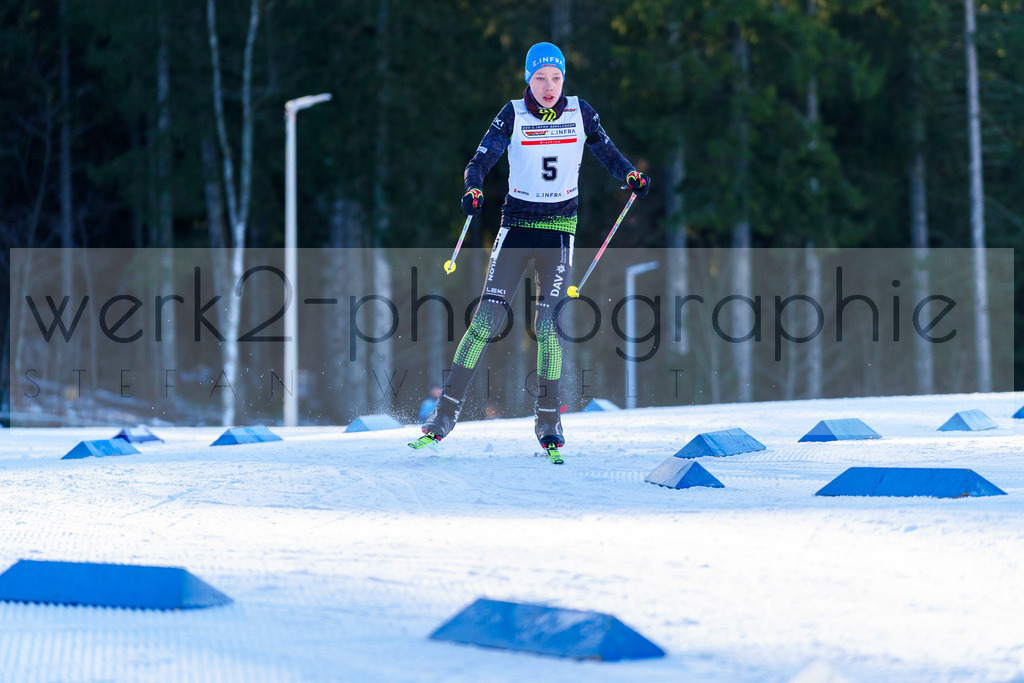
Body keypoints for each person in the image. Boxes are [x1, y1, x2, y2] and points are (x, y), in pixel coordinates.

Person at [409, 42, 650, 458]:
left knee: (548, 327)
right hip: (516, 228)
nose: (549, 86)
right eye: (540, 78)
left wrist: (630, 174)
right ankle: (444, 415)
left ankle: (549, 421)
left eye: (556, 78)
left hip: (558, 232)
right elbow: (479, 161)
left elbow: (607, 152)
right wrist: (473, 188)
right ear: (528, 79)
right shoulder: (513, 114)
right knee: (485, 320)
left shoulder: (580, 112)